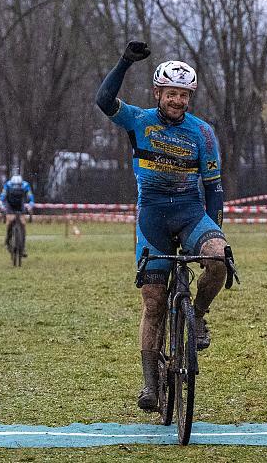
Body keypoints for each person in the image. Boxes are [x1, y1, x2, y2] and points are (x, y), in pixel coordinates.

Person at [96, 41, 227, 411]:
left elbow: (214, 188)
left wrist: (216, 231)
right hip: (152, 216)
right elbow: (104, 101)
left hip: (190, 213)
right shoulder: (139, 120)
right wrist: (123, 62)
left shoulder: (202, 133)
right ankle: (151, 384)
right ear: (158, 93)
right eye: (172, 94)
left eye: (184, 95)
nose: (178, 101)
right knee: (153, 301)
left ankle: (198, 316)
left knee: (219, 259)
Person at [0, 174, 35, 257]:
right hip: (10, 205)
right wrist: (2, 205)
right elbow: (2, 197)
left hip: (20, 204)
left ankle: (23, 246)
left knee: (23, 223)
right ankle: (8, 240)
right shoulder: (7, 185)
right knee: (10, 221)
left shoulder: (25, 185)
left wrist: (30, 204)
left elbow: (30, 197)